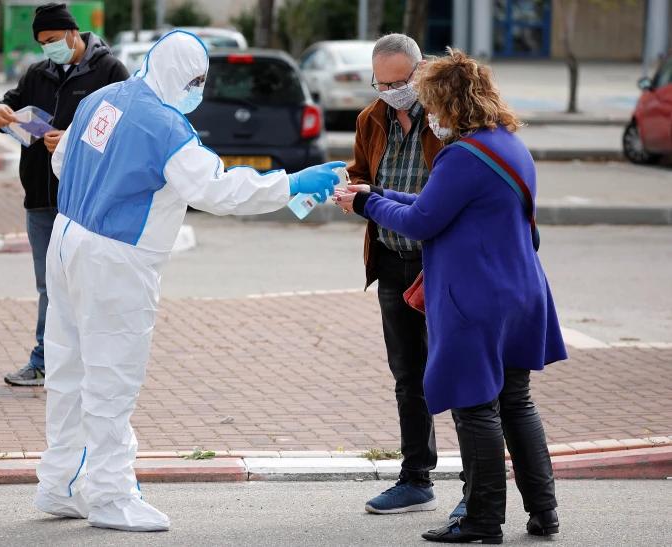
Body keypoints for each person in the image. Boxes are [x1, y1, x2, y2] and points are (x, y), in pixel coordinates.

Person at [34, 30, 345, 532]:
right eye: (197, 79)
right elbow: (218, 190)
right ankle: (111, 496)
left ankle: (60, 484)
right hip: (119, 258)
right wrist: (294, 183)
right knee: (112, 379)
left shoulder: (101, 99)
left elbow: (61, 159)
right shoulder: (166, 127)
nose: (199, 88)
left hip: (69, 238)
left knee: (69, 372)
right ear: (181, 75)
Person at [335, 48, 567, 544]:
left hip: (475, 297)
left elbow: (422, 223)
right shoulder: (506, 144)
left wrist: (367, 203)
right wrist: (376, 193)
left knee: (474, 407)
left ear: (453, 104)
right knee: (516, 403)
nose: (432, 117)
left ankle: (483, 519)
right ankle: (544, 512)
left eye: (435, 107)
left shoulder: (462, 154)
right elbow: (438, 202)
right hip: (520, 289)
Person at [0, 3, 128, 386]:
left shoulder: (110, 73)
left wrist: (71, 141)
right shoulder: (38, 73)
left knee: (91, 284)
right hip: (41, 200)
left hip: (86, 202)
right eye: (42, 43)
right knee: (50, 285)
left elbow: (127, 128)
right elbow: (10, 103)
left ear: (72, 32)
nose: (48, 48)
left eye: (52, 40)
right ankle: (44, 361)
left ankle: (95, 365)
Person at [346, 33, 446, 515]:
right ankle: (416, 478)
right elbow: (364, 173)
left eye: (400, 82)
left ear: (421, 70)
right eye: (381, 83)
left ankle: (478, 483)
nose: (391, 91)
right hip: (391, 259)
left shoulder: (447, 117)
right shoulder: (372, 117)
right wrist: (349, 188)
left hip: (442, 263)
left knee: (459, 370)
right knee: (408, 376)